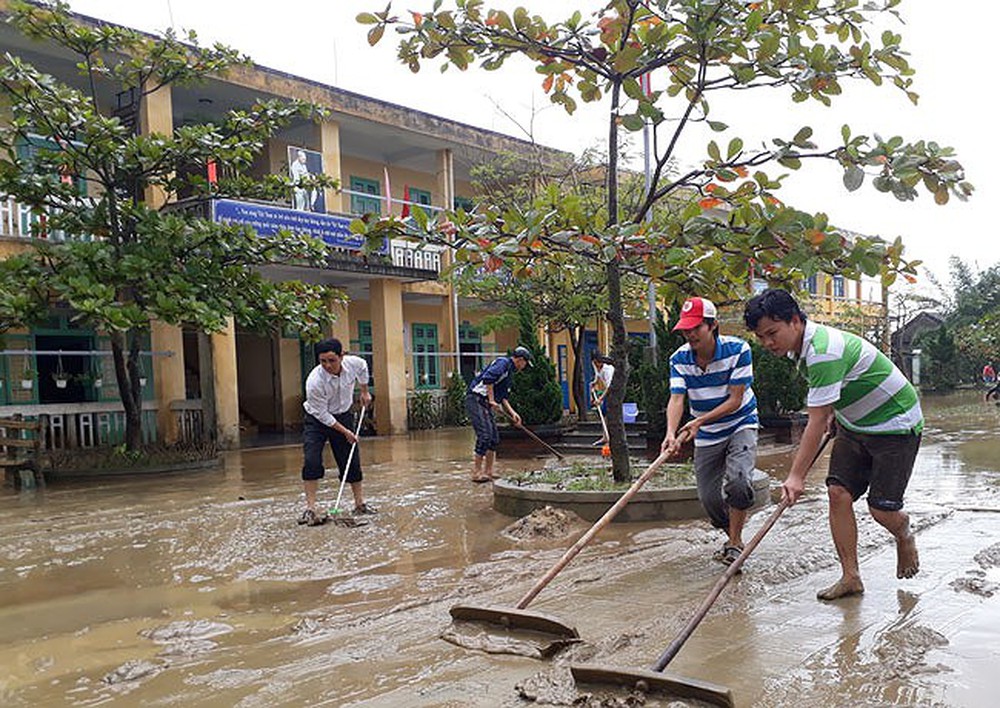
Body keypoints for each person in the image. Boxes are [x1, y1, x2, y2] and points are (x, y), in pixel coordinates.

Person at [744, 288, 922, 601]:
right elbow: (830, 401)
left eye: (772, 333)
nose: (768, 343)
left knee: (882, 511)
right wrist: (834, 412)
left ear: (796, 321)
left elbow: (815, 419)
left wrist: (796, 476)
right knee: (837, 493)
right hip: (854, 423)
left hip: (895, 424)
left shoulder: (824, 351)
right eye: (761, 337)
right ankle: (850, 577)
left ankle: (903, 530)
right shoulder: (800, 348)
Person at [662, 296, 759, 567]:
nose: (690, 334)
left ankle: (735, 543)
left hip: (740, 422)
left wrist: (698, 421)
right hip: (705, 431)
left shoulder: (738, 350)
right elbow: (677, 398)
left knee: (738, 482)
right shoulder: (678, 358)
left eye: (696, 328)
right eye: (686, 329)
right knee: (709, 498)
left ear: (713, 325)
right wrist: (671, 433)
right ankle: (732, 534)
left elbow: (735, 400)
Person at [298, 338, 374, 526]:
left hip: (343, 414)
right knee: (311, 460)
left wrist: (364, 391)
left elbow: (364, 367)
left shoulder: (354, 363)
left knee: (350, 460)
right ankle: (310, 508)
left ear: (342, 356)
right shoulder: (315, 382)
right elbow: (322, 415)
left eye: (332, 360)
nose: (327, 365)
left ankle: (359, 504)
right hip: (317, 420)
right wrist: (345, 431)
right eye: (322, 361)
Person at [464, 346, 532, 483]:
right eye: (525, 364)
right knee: (484, 436)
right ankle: (476, 472)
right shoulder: (503, 363)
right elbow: (488, 379)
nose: (524, 367)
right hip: (476, 399)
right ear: (520, 360)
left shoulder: (509, 373)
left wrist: (513, 414)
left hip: (485, 402)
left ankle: (489, 471)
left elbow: (503, 397)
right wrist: (491, 400)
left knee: (494, 438)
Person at [590, 351, 615, 445]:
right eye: (595, 363)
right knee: (604, 414)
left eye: (597, 363)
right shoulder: (596, 366)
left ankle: (611, 437)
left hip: (614, 392)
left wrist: (600, 399)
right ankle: (605, 437)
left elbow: (609, 387)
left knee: (609, 414)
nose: (596, 365)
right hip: (608, 391)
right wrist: (594, 383)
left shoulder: (608, 370)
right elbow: (597, 377)